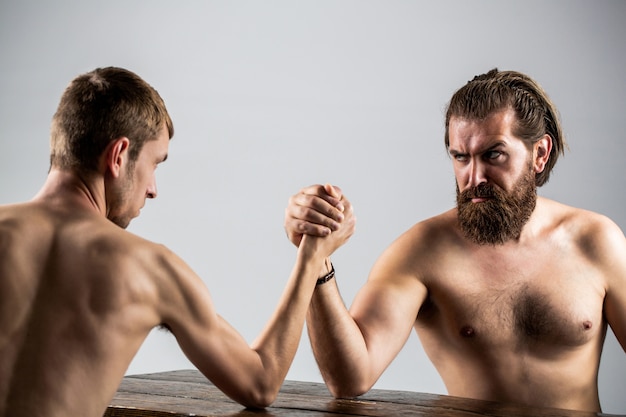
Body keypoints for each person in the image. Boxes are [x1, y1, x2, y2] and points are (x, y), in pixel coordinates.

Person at [0, 67, 355, 417]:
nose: (153, 189)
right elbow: (259, 382)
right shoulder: (150, 269)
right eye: (155, 164)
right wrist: (312, 257)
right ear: (119, 156)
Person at [284, 68, 626, 413]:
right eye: (460, 157)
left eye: (493, 154)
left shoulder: (596, 241)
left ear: (539, 154)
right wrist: (316, 258)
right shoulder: (422, 251)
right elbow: (349, 378)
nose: (474, 177)